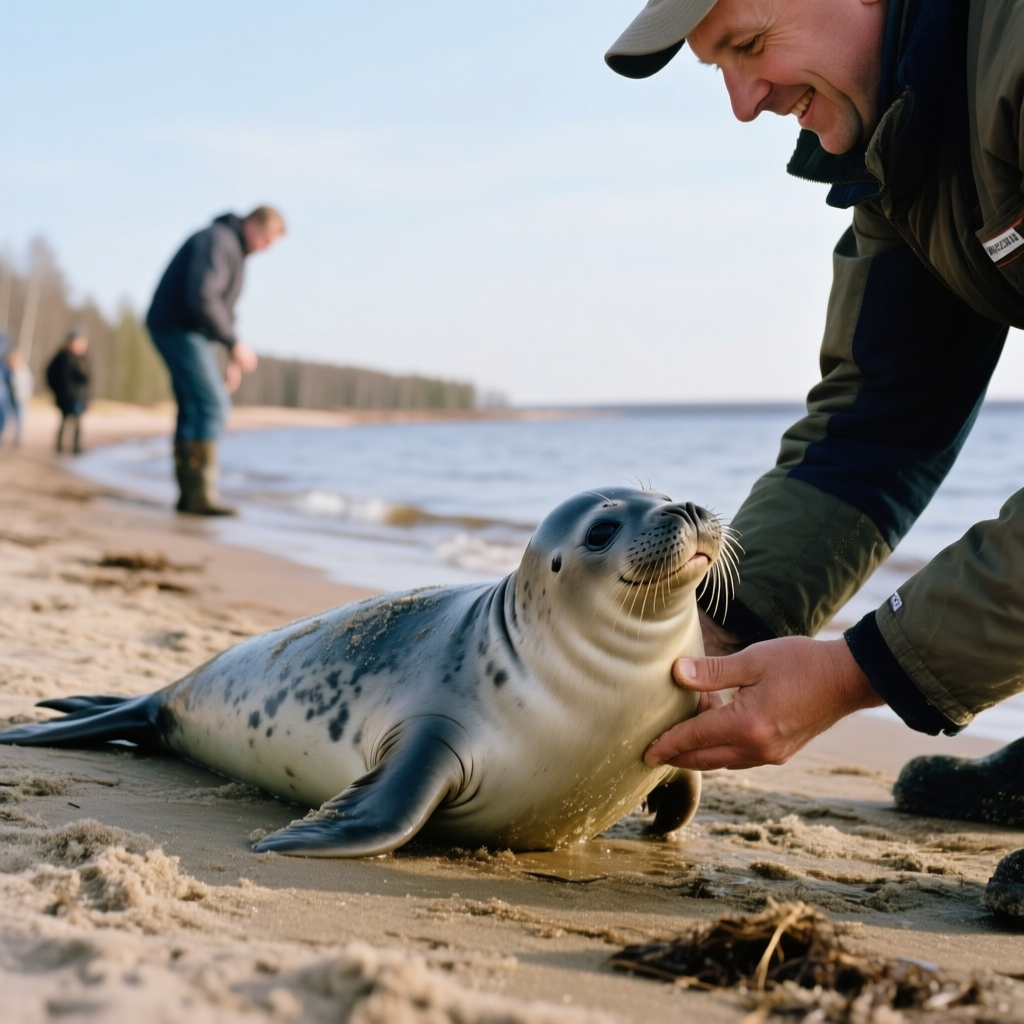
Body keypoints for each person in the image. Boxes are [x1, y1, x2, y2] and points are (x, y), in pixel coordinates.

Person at [605, 0, 1024, 922]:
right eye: (720, 66)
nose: (744, 103)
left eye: (751, 46)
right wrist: (716, 628)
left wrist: (854, 672)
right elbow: (876, 424)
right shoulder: (903, 158)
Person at [146, 205, 286, 515]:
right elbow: (203, 297)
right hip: (176, 327)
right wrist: (235, 345)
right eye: (266, 240)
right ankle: (198, 496)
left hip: (186, 330)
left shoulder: (231, 247)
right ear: (252, 225)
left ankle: (189, 496)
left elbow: (223, 308)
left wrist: (231, 356)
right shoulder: (219, 241)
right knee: (212, 405)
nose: (267, 248)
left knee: (194, 407)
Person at [45, 330, 91, 455]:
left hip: (80, 396)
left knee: (78, 422)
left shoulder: (84, 357)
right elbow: (50, 374)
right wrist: (56, 390)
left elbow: (88, 379)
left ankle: (76, 448)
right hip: (65, 396)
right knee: (64, 420)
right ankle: (59, 447)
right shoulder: (62, 356)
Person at [6, 349, 34, 448]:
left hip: (20, 398)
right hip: (10, 397)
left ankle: (17, 438)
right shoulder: (8, 371)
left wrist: (26, 395)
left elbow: (29, 384)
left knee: (19, 418)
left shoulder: (23, 371)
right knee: (7, 417)